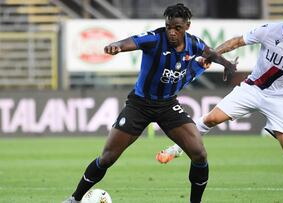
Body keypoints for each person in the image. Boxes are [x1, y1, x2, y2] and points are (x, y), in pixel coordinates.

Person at [156, 1, 283, 203]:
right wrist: (211, 55)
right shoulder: (270, 30)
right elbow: (237, 41)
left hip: (280, 100)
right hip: (252, 88)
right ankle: (178, 148)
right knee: (211, 118)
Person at [62, 3, 236, 203]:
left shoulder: (194, 43)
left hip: (168, 106)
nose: (171, 32)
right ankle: (75, 199)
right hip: (139, 105)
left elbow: (210, 52)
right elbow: (132, 42)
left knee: (199, 155)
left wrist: (227, 64)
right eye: (169, 26)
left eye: (177, 28)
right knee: (107, 157)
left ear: (187, 26)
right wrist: (117, 46)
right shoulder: (155, 38)